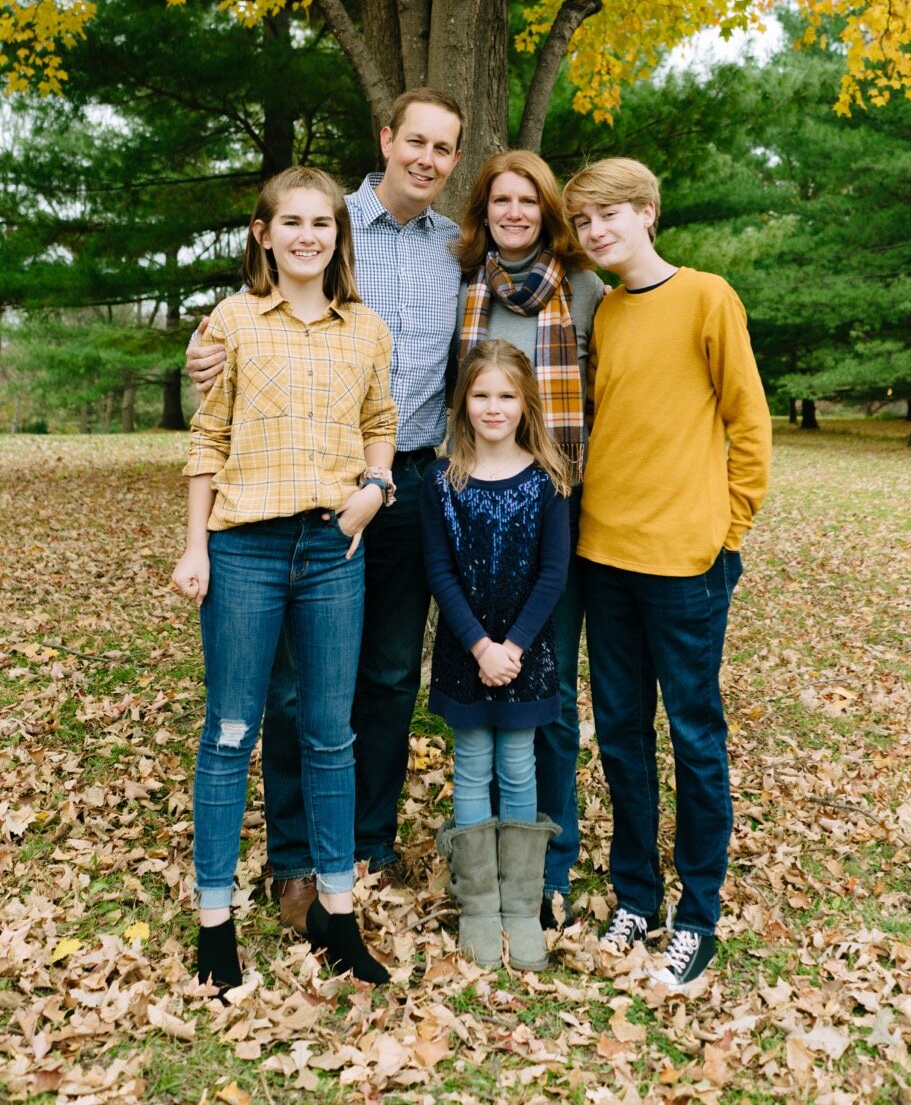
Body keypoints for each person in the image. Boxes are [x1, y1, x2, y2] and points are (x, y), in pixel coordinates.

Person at [188, 90, 466, 931]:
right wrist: (202, 346)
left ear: (454, 158)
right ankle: (293, 860)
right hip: (295, 498)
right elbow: (245, 329)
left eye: (443, 147)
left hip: (405, 480)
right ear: (386, 140)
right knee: (289, 688)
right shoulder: (324, 216)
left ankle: (363, 842)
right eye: (413, 139)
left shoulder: (458, 246)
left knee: (383, 672)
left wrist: (381, 483)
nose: (426, 157)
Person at [171, 168, 397, 992]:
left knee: (331, 735)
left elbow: (381, 425)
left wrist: (373, 492)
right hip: (245, 552)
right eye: (291, 222)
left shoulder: (365, 330)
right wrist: (194, 546)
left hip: (332, 552)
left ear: (340, 235)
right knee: (231, 730)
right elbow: (207, 439)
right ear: (263, 234)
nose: (309, 235)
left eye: (323, 223)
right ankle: (215, 926)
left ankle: (338, 913)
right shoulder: (230, 324)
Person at [565, 157, 772, 997]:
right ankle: (636, 898)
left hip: (686, 564)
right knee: (619, 735)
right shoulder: (606, 313)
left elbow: (748, 421)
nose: (596, 231)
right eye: (583, 223)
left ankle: (699, 914)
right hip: (603, 558)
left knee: (694, 735)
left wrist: (728, 534)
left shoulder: (707, 296)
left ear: (648, 212)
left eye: (610, 215)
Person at [449, 150, 604, 929]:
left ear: (547, 211)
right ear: (486, 208)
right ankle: (480, 878)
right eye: (501, 200)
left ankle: (550, 869)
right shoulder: (466, 285)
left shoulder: (583, 289)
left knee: (548, 695)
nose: (515, 212)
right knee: (482, 689)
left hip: (556, 507)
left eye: (529, 201)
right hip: (475, 516)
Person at [426, 339, 573, 972]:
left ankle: (522, 902)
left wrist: (510, 646)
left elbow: (553, 572)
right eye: (481, 395)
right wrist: (479, 645)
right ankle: (480, 907)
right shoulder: (443, 479)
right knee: (471, 765)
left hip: (526, 656)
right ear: (463, 402)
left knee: (519, 768)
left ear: (525, 403)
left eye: (506, 396)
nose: (493, 407)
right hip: (466, 654)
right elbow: (439, 570)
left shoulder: (547, 480)